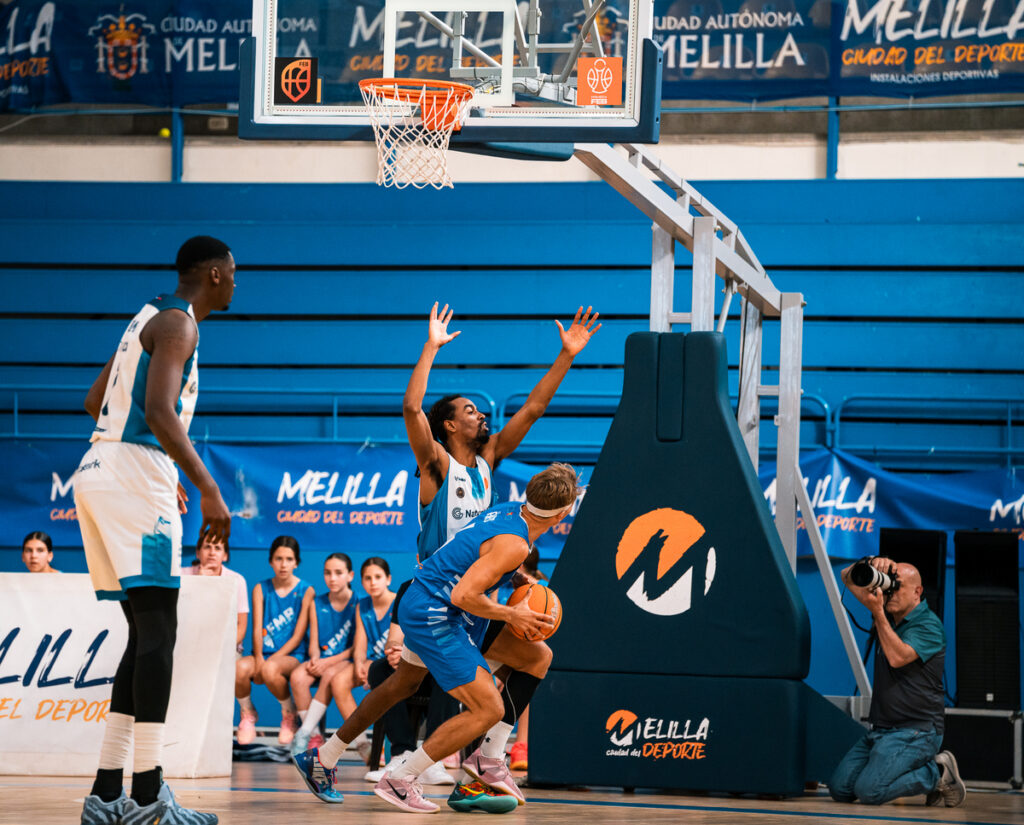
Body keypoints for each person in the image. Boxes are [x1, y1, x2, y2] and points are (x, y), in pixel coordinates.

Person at [293, 463, 579, 813]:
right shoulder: (516, 545)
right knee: (488, 707)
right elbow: (463, 595)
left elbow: (482, 556)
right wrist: (512, 613)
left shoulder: (510, 511)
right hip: (437, 611)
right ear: (564, 512)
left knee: (535, 657)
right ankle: (401, 779)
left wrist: (516, 580)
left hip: (427, 599)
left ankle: (324, 756)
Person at [74, 236, 234, 825]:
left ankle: (107, 793)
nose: (236, 283)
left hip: (100, 468)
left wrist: (155, 468)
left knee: (144, 636)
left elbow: (96, 399)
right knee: (160, 633)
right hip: (132, 475)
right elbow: (161, 411)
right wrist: (206, 485)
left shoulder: (146, 315)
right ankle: (146, 799)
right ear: (215, 275)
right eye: (234, 274)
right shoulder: (180, 326)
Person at [405, 302, 599, 563]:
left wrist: (567, 354)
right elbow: (411, 408)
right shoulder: (437, 463)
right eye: (470, 411)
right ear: (450, 425)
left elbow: (533, 409)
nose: (481, 414)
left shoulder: (488, 456)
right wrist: (431, 347)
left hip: (475, 585)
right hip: (436, 590)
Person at [829, 556, 966, 808]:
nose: (889, 591)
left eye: (897, 586)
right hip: (881, 729)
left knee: (869, 792)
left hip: (917, 731)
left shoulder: (929, 626)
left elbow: (897, 657)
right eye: (888, 585)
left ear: (918, 592)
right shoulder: (889, 616)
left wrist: (878, 612)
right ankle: (904, 771)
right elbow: (846, 576)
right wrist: (871, 561)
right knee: (840, 789)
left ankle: (936, 773)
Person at [237, 536, 315, 746]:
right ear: (271, 561)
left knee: (270, 669)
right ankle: (247, 713)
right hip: (263, 654)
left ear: (296, 562)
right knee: (239, 669)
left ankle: (289, 715)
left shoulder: (306, 591)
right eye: (278, 558)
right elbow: (256, 628)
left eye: (289, 559)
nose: (283, 564)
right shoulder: (261, 589)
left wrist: (268, 663)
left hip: (292, 656)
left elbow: (298, 635)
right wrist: (260, 657)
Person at [326, 557, 396, 758]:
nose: (372, 582)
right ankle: (363, 744)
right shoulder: (362, 606)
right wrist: (358, 663)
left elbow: (400, 644)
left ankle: (388, 749)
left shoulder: (398, 601)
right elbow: (360, 642)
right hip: (369, 662)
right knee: (338, 681)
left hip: (392, 663)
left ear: (388, 579)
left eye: (377, 577)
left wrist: (373, 666)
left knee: (382, 681)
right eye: (367, 578)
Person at [291, 553, 358, 754]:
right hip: (322, 659)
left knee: (331, 675)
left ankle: (304, 731)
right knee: (298, 676)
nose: (332, 578)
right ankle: (314, 737)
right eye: (328, 573)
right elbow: (313, 642)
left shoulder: (359, 603)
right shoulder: (316, 603)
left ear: (350, 575)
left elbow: (356, 648)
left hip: (346, 660)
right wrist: (314, 658)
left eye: (338, 573)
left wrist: (327, 662)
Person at [180, 537, 248, 653]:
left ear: (225, 555)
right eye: (207, 547)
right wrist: (199, 583)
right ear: (197, 553)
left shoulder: (237, 580)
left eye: (217, 548)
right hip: (189, 646)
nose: (212, 553)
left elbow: (241, 627)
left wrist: (218, 650)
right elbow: (182, 617)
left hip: (226, 648)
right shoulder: (182, 575)